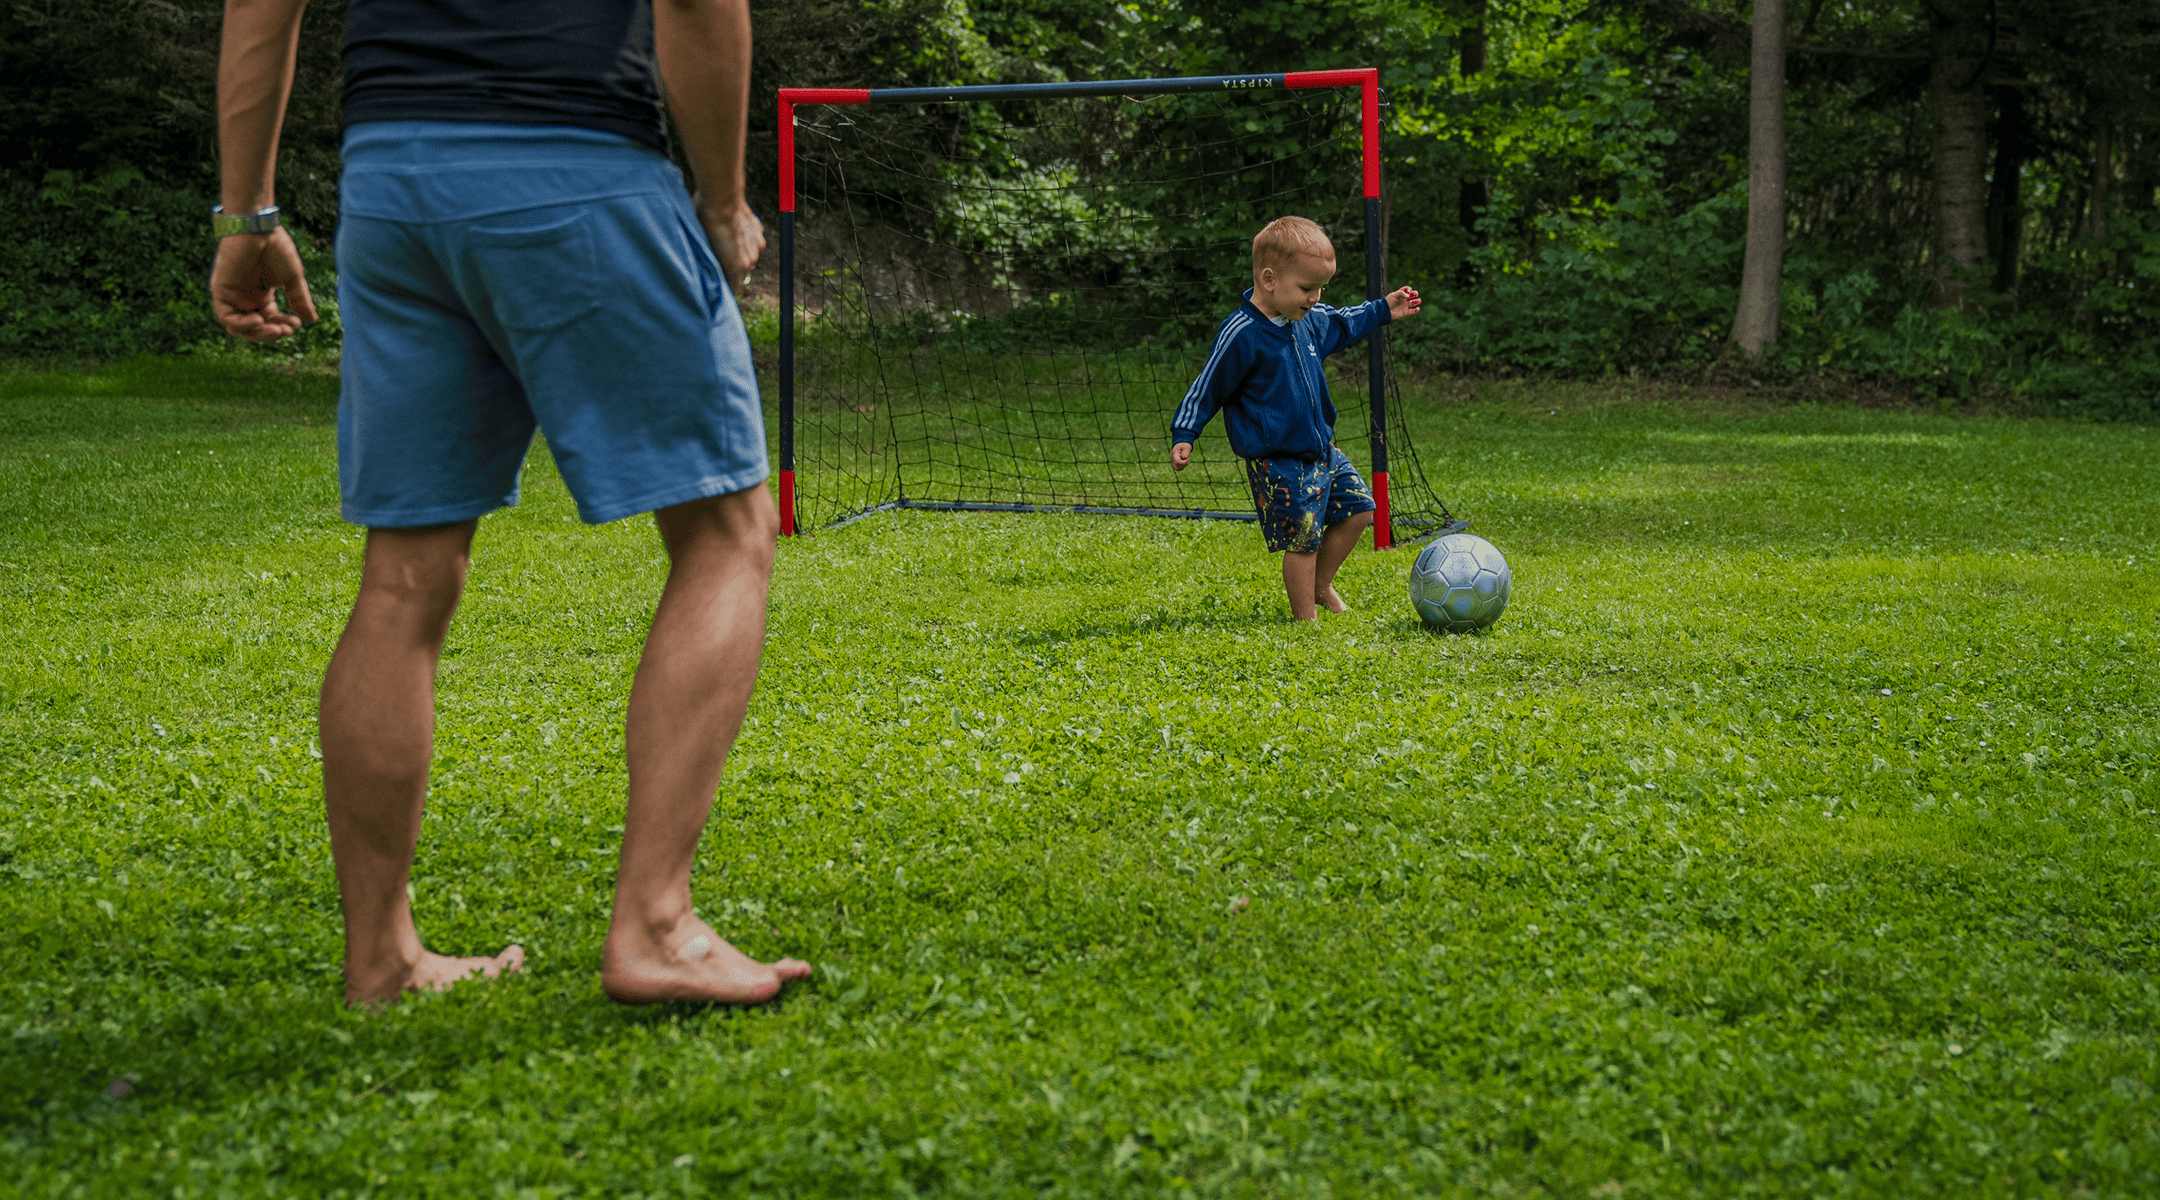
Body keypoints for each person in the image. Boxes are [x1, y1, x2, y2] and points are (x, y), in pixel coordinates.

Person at [209, 0, 810, 1007]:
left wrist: (248, 216)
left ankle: (382, 959)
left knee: (404, 576)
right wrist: (719, 199)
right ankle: (658, 924)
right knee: (725, 533)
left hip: (395, 184)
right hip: (576, 160)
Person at [1169, 216, 1421, 621]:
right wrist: (1186, 431)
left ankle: (1321, 585)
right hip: (1279, 459)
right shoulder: (1242, 332)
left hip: (1322, 448)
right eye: (1307, 288)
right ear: (1269, 280)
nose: (1316, 297)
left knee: (1360, 509)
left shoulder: (1308, 320)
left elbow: (1344, 321)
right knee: (1303, 539)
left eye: (1321, 287)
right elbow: (1209, 383)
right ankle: (1306, 619)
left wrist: (1384, 310)